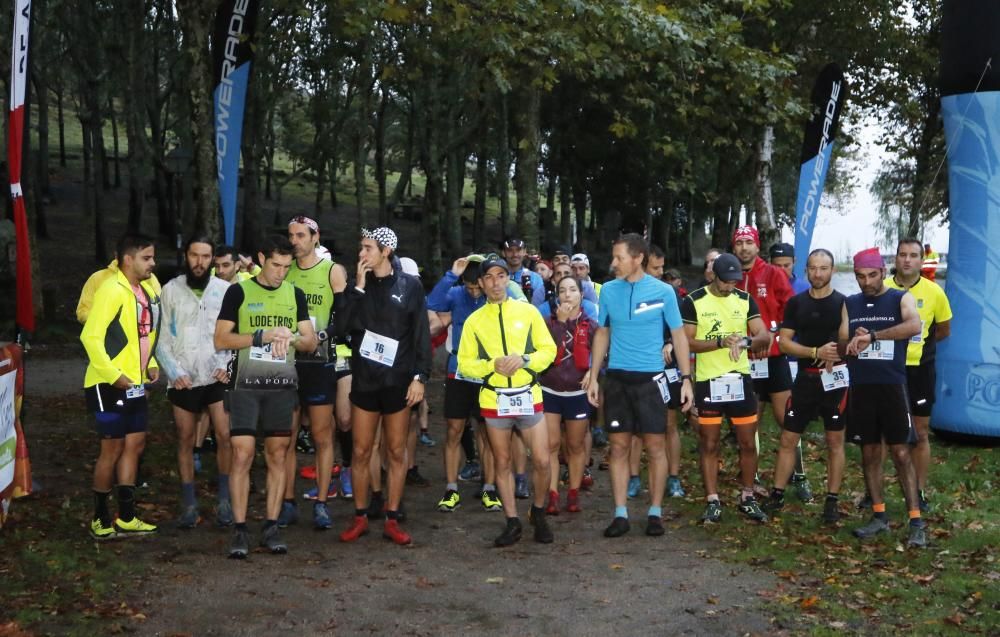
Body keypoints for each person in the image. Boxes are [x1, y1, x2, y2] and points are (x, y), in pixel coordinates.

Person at [214, 235, 318, 558]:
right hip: (245, 385)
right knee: (242, 454)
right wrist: (261, 335)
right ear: (261, 259)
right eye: (275, 265)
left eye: (287, 267)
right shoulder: (239, 291)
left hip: (281, 387)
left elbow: (311, 342)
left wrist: (292, 338)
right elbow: (221, 339)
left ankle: (271, 526)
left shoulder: (295, 294)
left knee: (277, 455)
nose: (280, 273)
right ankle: (240, 529)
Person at [585, 234, 693, 538]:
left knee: (655, 446)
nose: (613, 264)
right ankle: (620, 513)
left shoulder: (663, 292)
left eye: (618, 258)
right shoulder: (607, 291)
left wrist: (686, 379)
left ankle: (655, 512)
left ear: (638, 259)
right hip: (618, 378)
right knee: (618, 446)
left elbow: (679, 335)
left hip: (652, 381)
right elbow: (603, 333)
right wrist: (593, 377)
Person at [333, 227, 431, 546]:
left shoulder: (410, 286)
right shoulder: (356, 288)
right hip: (365, 380)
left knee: (396, 451)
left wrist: (420, 378)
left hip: (398, 382)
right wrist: (358, 288)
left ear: (386, 251)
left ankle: (392, 517)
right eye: (361, 248)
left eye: (367, 248)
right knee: (361, 450)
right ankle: (361, 515)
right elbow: (342, 328)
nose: (361, 254)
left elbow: (421, 336)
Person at [457, 257, 557, 546]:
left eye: (501, 276)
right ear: (481, 282)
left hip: (528, 394)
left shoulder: (527, 312)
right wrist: (492, 365)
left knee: (541, 459)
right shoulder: (475, 321)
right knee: (501, 461)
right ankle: (512, 521)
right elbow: (465, 364)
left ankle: (538, 512)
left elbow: (548, 350)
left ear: (507, 279)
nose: (496, 282)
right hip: (494, 397)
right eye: (489, 277)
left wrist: (525, 360)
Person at [840, 247, 926, 547]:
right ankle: (879, 515)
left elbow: (914, 325)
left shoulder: (899, 297)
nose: (867, 282)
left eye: (872, 275)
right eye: (860, 277)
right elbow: (840, 342)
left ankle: (916, 520)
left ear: (883, 272)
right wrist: (851, 340)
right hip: (862, 387)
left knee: (902, 453)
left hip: (892, 386)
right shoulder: (850, 304)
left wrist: (874, 335)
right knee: (869, 453)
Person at [81, 234, 162, 540]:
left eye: (152, 257)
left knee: (135, 445)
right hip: (108, 384)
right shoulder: (111, 290)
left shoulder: (143, 290)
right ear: (128, 259)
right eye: (147, 258)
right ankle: (100, 517)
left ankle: (127, 516)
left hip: (136, 382)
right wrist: (112, 374)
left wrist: (149, 364)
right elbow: (90, 337)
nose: (152, 263)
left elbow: (143, 334)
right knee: (111, 449)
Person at [681, 253, 771, 524]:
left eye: (735, 281)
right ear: (714, 276)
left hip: (739, 379)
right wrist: (720, 343)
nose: (731, 286)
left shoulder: (744, 299)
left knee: (747, 441)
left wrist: (745, 341)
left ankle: (747, 496)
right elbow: (687, 342)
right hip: (709, 381)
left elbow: (764, 335)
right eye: (726, 281)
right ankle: (712, 500)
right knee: (709, 443)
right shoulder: (694, 301)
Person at [156, 236, 234, 529]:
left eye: (205, 256)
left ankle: (225, 498)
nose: (199, 262)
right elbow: (161, 339)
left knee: (225, 435)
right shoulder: (170, 291)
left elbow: (232, 335)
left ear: (213, 259)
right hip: (184, 378)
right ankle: (189, 503)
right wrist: (174, 372)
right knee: (186, 439)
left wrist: (225, 365)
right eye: (194, 255)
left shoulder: (226, 291)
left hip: (216, 375)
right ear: (185, 256)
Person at [767, 249, 847, 523]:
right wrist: (815, 351)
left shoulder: (843, 303)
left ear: (832, 271)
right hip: (804, 380)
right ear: (806, 271)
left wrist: (836, 352)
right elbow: (784, 341)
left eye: (823, 268)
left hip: (835, 381)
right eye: (813, 268)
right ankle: (776, 495)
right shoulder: (796, 303)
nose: (818, 273)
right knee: (788, 438)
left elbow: (848, 341)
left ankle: (832, 501)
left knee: (835, 441)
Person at [279, 215, 348, 530]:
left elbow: (345, 317)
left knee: (322, 435)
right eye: (291, 235)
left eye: (301, 235)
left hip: (319, 362)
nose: (295, 241)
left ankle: (321, 502)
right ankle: (288, 502)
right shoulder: (284, 270)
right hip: (286, 363)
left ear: (315, 237)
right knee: (286, 437)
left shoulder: (332, 271)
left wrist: (320, 337)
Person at [732, 226, 809, 501]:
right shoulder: (730, 275)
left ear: (757, 245)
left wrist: (774, 334)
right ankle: (750, 481)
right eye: (739, 242)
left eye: (748, 242)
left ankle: (799, 475)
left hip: (774, 359)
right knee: (748, 423)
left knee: (788, 418)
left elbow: (791, 309)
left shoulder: (773, 273)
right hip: (743, 360)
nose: (744, 248)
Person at [428, 255, 505, 513]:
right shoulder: (456, 294)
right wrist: (452, 274)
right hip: (458, 372)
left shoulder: (493, 297)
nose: (474, 292)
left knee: (486, 433)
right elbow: (433, 302)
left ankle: (489, 488)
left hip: (486, 374)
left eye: (477, 287)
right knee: (453, 430)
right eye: (469, 286)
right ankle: (451, 489)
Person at [885, 238, 952, 511]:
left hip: (921, 370)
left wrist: (920, 348)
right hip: (888, 369)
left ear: (921, 260)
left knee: (921, 433)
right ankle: (874, 491)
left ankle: (919, 490)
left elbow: (944, 329)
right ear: (896, 258)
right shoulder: (883, 288)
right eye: (903, 255)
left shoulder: (934, 291)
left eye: (914, 255)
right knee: (882, 433)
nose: (908, 260)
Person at [540, 276, 597, 514]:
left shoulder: (591, 324)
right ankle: (552, 494)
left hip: (577, 392)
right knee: (551, 445)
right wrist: (560, 323)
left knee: (575, 445)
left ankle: (573, 493)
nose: (567, 295)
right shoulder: (546, 322)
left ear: (581, 295)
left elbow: (603, 353)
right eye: (562, 290)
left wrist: (593, 373)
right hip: (550, 389)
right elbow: (542, 352)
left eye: (573, 290)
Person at [77, 255, 162, 325]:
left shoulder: (150, 280)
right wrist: (107, 322)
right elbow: (83, 311)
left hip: (144, 342)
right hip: (105, 342)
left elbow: (161, 313)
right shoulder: (97, 278)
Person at [502, 238, 545, 303]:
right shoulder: (498, 277)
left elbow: (537, 306)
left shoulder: (535, 278)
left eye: (518, 250)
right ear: (503, 253)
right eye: (510, 250)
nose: (515, 254)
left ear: (524, 252)